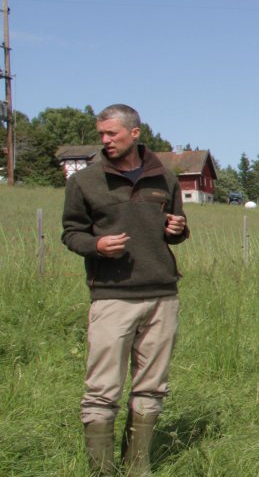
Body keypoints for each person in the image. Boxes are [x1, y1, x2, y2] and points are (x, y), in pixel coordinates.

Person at [62, 104, 188, 476]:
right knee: (102, 389)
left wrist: (177, 230)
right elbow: (71, 233)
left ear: (135, 133)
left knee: (152, 388)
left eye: (111, 134)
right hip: (112, 297)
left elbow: (175, 230)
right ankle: (102, 472)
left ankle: (138, 468)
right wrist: (95, 246)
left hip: (163, 295)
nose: (104, 141)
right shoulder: (84, 181)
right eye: (101, 134)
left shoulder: (165, 178)